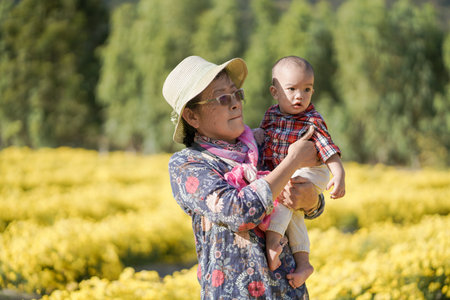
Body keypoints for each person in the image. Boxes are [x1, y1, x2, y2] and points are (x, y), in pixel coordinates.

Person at [163, 56, 325, 299]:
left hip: (288, 290)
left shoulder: (262, 145)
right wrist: (292, 161)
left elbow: (304, 205)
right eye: (222, 98)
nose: (236, 104)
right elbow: (238, 211)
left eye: (237, 94)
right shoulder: (188, 164)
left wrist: (312, 200)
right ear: (192, 116)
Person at [255, 56, 345, 289]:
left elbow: (329, 150)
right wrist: (255, 135)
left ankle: (274, 241)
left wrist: (339, 175)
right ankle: (304, 264)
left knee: (287, 192)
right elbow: (265, 138)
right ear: (275, 92)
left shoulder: (312, 119)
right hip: (289, 171)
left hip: (311, 171)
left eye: (306, 90)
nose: (299, 96)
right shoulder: (271, 115)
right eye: (292, 89)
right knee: (294, 213)